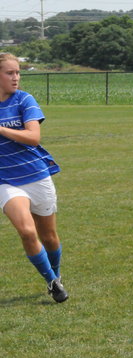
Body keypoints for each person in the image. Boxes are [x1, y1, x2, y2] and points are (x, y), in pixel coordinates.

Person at [0, 52, 68, 303]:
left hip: (36, 175)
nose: (16, 77)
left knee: (49, 237)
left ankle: (56, 275)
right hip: (6, 182)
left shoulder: (24, 100)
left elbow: (33, 137)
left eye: (18, 72)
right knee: (27, 232)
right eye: (10, 73)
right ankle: (52, 282)